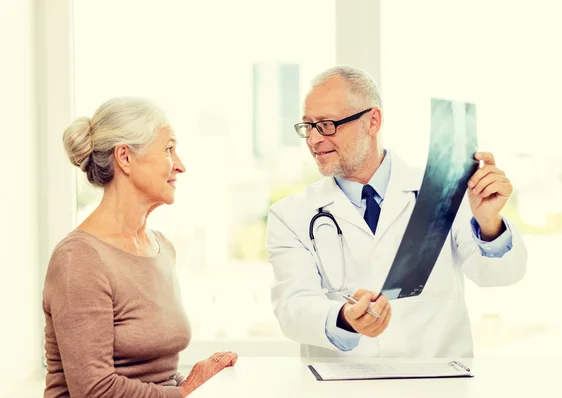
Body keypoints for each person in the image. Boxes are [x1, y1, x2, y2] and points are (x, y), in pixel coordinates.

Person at [266, 66, 528, 358]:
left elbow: (501, 275)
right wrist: (344, 318)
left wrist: (489, 221)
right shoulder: (290, 216)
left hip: (436, 384)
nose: (313, 140)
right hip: (343, 386)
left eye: (326, 125)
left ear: (372, 121)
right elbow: (293, 307)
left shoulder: (444, 192)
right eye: (307, 127)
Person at [42, 97, 237, 398]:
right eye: (168, 149)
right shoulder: (79, 259)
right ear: (125, 158)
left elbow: (160, 378)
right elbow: (94, 391)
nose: (180, 166)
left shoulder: (163, 249)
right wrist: (186, 391)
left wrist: (200, 381)